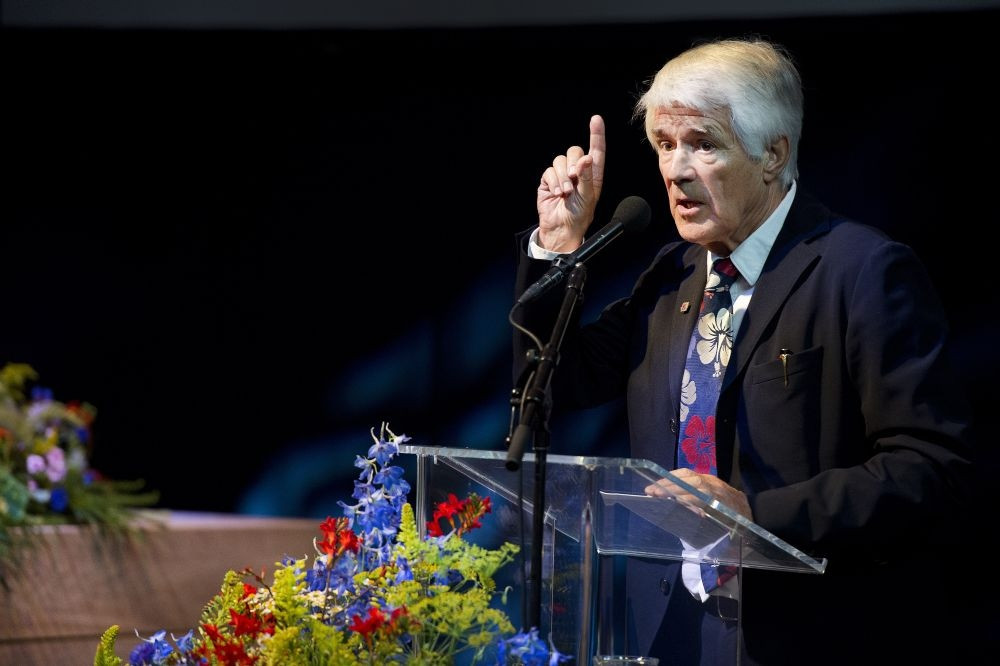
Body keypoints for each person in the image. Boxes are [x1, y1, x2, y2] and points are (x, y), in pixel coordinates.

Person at [511, 37, 981, 665]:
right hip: (667, 636)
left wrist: (754, 517)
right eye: (664, 145)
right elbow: (552, 386)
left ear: (772, 154)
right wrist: (557, 246)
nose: (675, 170)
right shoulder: (672, 275)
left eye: (702, 143)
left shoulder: (862, 271)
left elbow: (931, 467)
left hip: (804, 634)